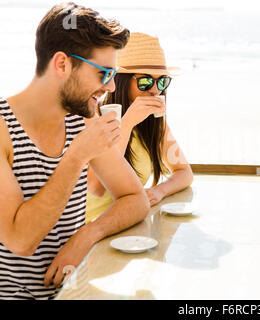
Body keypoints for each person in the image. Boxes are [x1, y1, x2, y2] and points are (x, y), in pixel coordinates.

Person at [0, 3, 150, 299]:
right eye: (103, 73)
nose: (108, 87)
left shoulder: (81, 120)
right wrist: (77, 157)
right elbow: (20, 240)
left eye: (113, 74)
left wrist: (87, 234)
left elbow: (136, 199)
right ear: (62, 64)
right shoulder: (3, 129)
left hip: (73, 292)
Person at [86, 32, 193, 223]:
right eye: (145, 81)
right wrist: (126, 123)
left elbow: (184, 172)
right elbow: (98, 186)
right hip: (89, 225)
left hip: (126, 222)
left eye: (162, 81)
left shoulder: (155, 124)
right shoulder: (93, 117)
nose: (155, 90)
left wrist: (158, 191)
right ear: (121, 81)